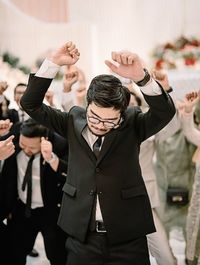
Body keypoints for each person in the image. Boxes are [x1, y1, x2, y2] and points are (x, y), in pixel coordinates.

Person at [21, 41, 175, 265]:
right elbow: (30, 104)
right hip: (82, 237)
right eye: (95, 117)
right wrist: (53, 63)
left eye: (110, 120)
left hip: (128, 237)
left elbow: (165, 112)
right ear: (87, 104)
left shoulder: (132, 124)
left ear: (122, 115)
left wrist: (142, 77)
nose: (101, 125)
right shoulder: (72, 119)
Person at [3, 119, 68, 265]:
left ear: (44, 141)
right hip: (21, 209)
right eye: (23, 145)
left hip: (51, 211)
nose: (26, 150)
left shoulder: (61, 144)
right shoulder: (14, 136)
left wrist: (51, 158)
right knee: (15, 253)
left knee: (57, 254)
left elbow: (71, 176)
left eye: (31, 147)